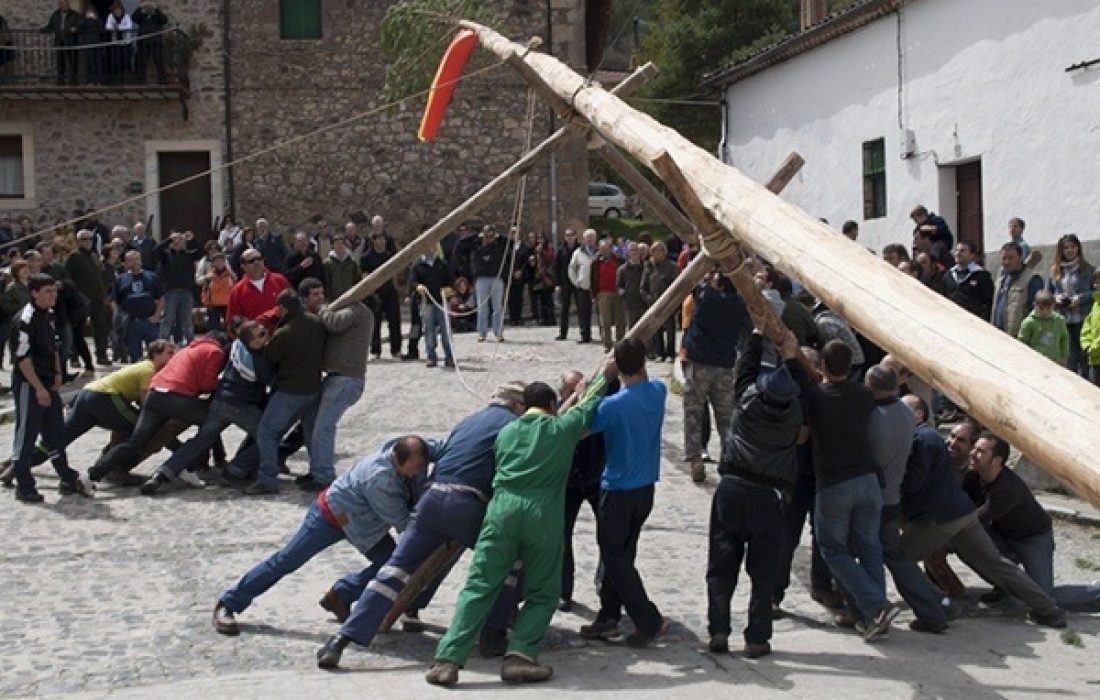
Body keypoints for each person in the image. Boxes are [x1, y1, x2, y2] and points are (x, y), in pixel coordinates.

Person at [315, 384, 527, 669]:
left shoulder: (468, 421)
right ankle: (493, 635)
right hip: (466, 503)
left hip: (430, 501)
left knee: (393, 571)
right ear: (517, 405)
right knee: (508, 562)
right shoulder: (514, 425)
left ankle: (341, 641)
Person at [427, 377, 616, 688]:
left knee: (479, 585)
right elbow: (589, 404)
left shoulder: (506, 433)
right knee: (543, 592)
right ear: (553, 406)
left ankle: (447, 660)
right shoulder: (561, 429)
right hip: (542, 514)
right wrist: (593, 383)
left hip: (501, 511)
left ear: (524, 406)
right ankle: (520, 655)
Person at [214, 436, 440, 635]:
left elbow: (441, 446)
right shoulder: (380, 480)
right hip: (331, 517)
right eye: (414, 468)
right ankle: (229, 603)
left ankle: (341, 594)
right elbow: (403, 522)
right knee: (286, 561)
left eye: (420, 466)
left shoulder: (412, 449)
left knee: (394, 567)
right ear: (397, 459)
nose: (417, 472)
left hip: (367, 524)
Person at [899, 411, 1066, 628]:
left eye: (965, 442)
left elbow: (913, 485)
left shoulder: (1007, 488)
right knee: (996, 564)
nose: (954, 443)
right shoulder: (941, 448)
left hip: (1031, 537)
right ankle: (1049, 611)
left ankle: (940, 606)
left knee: (899, 557)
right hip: (966, 517)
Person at [707, 332, 803, 658]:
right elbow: (806, 386)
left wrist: (756, 337)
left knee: (721, 566)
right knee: (763, 573)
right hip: (769, 497)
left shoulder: (747, 400)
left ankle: (719, 630)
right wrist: (791, 355)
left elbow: (745, 369)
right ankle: (757, 638)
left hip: (732, 488)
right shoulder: (794, 414)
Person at [793, 340, 896, 640]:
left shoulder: (816, 398)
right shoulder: (865, 394)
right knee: (869, 547)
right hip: (867, 480)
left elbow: (802, 434)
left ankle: (876, 606)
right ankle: (873, 616)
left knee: (833, 550)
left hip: (834, 483)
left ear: (822, 366)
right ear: (852, 367)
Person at [580, 338, 670, 647]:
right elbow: (645, 380)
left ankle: (648, 619)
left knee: (614, 558)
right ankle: (608, 615)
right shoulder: (658, 392)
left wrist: (597, 383)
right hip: (645, 488)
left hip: (617, 490)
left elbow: (581, 426)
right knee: (622, 554)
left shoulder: (612, 405)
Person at [864, 365, 948, 634]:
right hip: (892, 499)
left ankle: (873, 613)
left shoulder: (873, 417)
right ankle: (933, 608)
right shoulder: (906, 415)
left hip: (871, 497)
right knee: (894, 556)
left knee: (866, 554)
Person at [140, 325, 268, 495]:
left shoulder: (234, 348)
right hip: (241, 406)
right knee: (269, 436)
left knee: (201, 440)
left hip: (220, 401)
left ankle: (162, 474)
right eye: (262, 333)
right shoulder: (258, 357)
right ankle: (236, 470)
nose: (267, 335)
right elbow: (270, 381)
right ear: (252, 340)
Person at [86, 332, 227, 485]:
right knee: (211, 422)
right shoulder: (215, 351)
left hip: (155, 395)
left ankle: (91, 475)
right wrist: (219, 384)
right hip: (176, 398)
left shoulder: (187, 350)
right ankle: (188, 466)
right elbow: (206, 384)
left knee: (135, 442)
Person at [8, 274, 95, 503]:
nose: (52, 296)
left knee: (55, 433)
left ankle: (66, 476)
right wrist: (39, 389)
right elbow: (22, 360)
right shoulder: (24, 320)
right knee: (26, 435)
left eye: (54, 291)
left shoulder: (50, 315)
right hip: (30, 384)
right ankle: (24, 484)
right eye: (47, 292)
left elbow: (55, 348)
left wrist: (58, 374)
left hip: (49, 381)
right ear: (34, 293)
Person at [247, 289, 325, 495]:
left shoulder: (286, 332)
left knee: (267, 431)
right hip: (314, 388)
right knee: (311, 434)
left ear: (282, 308)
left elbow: (270, 356)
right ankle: (320, 475)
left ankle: (267, 479)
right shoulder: (316, 323)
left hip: (291, 390)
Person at [962, 434, 1056, 597]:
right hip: (1002, 534)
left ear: (997, 460)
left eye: (980, 451)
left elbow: (975, 518)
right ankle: (1004, 586)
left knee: (1043, 596)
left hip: (1032, 538)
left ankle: (1095, 594)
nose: (972, 453)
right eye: (974, 448)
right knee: (967, 543)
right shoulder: (973, 476)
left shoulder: (1007, 489)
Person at [301, 281, 374, 489]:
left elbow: (333, 322)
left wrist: (322, 308)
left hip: (345, 379)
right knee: (311, 422)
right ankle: (317, 468)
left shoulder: (356, 311)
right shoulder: (357, 311)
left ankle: (323, 475)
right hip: (337, 378)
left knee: (323, 427)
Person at [682, 270, 750, 482]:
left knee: (693, 412)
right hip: (724, 365)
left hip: (700, 362)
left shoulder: (707, 297)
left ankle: (695, 459)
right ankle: (728, 458)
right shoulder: (738, 304)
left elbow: (693, 282)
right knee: (726, 417)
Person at [559, 370, 607, 611]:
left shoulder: (596, 409)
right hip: (568, 483)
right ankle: (563, 591)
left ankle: (604, 584)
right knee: (562, 537)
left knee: (608, 535)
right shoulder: (558, 412)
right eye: (570, 391)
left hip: (595, 478)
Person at [1047, 234, 1094, 376]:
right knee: (1069, 357)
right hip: (1063, 320)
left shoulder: (1087, 269)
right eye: (1066, 248)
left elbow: (1095, 291)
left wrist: (1080, 298)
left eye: (1073, 247)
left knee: (1084, 357)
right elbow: (1047, 293)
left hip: (1083, 319)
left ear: (1078, 248)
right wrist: (1056, 298)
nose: (1070, 250)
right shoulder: (1055, 270)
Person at [112, 250, 163, 362]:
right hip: (131, 323)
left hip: (149, 321)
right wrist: (119, 319)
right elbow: (115, 301)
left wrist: (156, 316)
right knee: (135, 357)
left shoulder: (152, 276)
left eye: (137, 259)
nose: (134, 262)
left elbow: (161, 298)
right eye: (131, 260)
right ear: (126, 263)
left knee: (155, 354)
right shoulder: (121, 279)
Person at [153, 230, 202, 344]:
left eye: (180, 241)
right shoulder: (165, 255)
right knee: (168, 318)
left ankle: (190, 342)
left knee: (187, 320)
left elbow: (201, 251)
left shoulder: (188, 255)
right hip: (171, 292)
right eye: (175, 241)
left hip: (187, 292)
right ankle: (162, 343)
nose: (178, 243)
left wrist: (192, 240)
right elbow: (155, 251)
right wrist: (169, 239)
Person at [225, 250, 290, 333]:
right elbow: (232, 323)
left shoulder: (279, 280)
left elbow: (294, 305)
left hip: (284, 337)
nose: (256, 262)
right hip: (256, 342)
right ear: (243, 266)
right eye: (251, 261)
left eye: (259, 259)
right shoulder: (237, 291)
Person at [410, 247, 454, 368]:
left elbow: (450, 279)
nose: (429, 250)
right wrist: (418, 286)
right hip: (426, 303)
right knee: (429, 331)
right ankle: (431, 356)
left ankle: (449, 356)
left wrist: (448, 289)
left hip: (441, 302)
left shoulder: (442, 264)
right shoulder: (418, 265)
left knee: (446, 331)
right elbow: (412, 281)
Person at [360, 231, 402, 358]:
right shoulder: (366, 257)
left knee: (394, 320)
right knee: (375, 322)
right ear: (373, 241)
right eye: (378, 239)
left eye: (383, 239)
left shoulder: (390, 256)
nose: (381, 241)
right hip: (375, 293)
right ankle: (376, 350)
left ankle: (396, 349)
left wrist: (396, 287)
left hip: (390, 291)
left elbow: (395, 273)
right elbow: (364, 275)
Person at [992, 242, 1043, 338]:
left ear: (1020, 258)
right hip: (999, 336)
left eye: (1011, 258)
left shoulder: (1032, 279)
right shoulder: (1000, 281)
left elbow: (1038, 312)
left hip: (1022, 339)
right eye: (1004, 258)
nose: (1007, 262)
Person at [640, 241, 679, 360]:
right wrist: (648, 299)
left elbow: (677, 285)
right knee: (657, 330)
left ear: (664, 252)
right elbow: (643, 287)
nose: (656, 253)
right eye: (654, 251)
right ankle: (659, 352)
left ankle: (670, 353)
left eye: (659, 250)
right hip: (653, 303)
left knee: (670, 330)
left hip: (668, 304)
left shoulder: (672, 266)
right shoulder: (649, 266)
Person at [472, 225, 508, 343]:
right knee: (482, 308)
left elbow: (510, 242)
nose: (489, 239)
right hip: (482, 279)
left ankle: (498, 332)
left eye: (491, 236)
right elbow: (463, 244)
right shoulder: (477, 246)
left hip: (496, 279)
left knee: (497, 307)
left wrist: (499, 236)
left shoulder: (499, 246)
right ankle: (482, 333)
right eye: (486, 236)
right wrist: (478, 236)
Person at [1018, 290, 1069, 366]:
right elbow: (1022, 342)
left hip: (1055, 361)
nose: (1045, 312)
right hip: (1035, 362)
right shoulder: (1029, 322)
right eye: (1041, 308)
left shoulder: (1059, 320)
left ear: (1053, 306)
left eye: (1049, 309)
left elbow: (1064, 338)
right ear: (1035, 305)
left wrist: (1064, 356)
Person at [590, 238, 624, 351]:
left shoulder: (619, 260)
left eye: (606, 248)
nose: (604, 251)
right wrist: (594, 295)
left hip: (617, 293)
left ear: (611, 249)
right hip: (603, 293)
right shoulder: (595, 262)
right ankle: (607, 344)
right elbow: (592, 279)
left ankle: (620, 343)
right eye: (601, 249)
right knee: (605, 321)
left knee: (620, 320)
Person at [948, 241, 994, 320]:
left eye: (962, 251)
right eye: (957, 250)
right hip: (952, 320)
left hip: (974, 322)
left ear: (972, 255)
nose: (958, 253)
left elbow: (988, 302)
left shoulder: (982, 276)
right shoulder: (948, 275)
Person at [567, 229, 598, 344]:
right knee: (583, 312)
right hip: (583, 287)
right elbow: (572, 268)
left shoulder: (600, 251)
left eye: (592, 237)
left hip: (598, 288)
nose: (590, 239)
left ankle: (604, 335)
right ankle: (585, 335)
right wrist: (576, 282)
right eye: (587, 237)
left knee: (601, 314)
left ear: (595, 238)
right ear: (584, 239)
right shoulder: (578, 252)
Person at [42, 0, 81, 85]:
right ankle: (61, 81)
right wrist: (42, 30)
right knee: (60, 63)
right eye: (62, 3)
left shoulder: (75, 15)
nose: (64, 5)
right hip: (60, 41)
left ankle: (74, 81)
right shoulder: (55, 15)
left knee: (73, 63)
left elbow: (80, 25)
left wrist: (75, 28)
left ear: (68, 4)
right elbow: (50, 26)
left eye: (66, 3)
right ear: (59, 5)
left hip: (71, 42)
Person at [131, 0, 167, 83]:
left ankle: (162, 81)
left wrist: (156, 8)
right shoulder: (141, 14)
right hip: (143, 41)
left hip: (155, 41)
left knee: (159, 61)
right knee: (142, 62)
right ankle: (141, 81)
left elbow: (164, 20)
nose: (148, 4)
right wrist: (140, 7)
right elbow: (134, 18)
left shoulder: (156, 14)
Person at [553, 228, 580, 341]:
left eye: (571, 235)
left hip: (578, 282)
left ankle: (584, 333)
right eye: (567, 235)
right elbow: (556, 267)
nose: (569, 237)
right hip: (565, 282)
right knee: (564, 309)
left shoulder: (579, 249)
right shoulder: (561, 250)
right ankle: (563, 333)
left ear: (575, 236)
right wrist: (557, 283)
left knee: (581, 307)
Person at [199, 252, 235, 333]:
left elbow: (234, 288)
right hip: (213, 304)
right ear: (213, 263)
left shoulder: (230, 275)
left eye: (221, 261)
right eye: (217, 261)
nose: (219, 263)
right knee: (213, 328)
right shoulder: (209, 275)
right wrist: (206, 302)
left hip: (227, 303)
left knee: (229, 326)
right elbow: (204, 289)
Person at [617, 241, 646, 332]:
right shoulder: (622, 269)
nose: (634, 252)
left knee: (645, 329)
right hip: (630, 304)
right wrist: (625, 296)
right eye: (631, 250)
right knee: (632, 329)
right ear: (628, 252)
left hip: (644, 302)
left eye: (636, 250)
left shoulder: (646, 266)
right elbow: (619, 286)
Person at [1078, 270, 1100, 386]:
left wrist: (1093, 349)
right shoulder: (1096, 304)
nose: (1096, 285)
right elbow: (1087, 325)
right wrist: (1086, 344)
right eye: (1095, 282)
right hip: (1095, 360)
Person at [321, 234, 360, 301]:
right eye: (337, 244)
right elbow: (326, 282)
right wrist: (328, 297)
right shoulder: (327, 263)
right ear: (333, 246)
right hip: (334, 297)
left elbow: (357, 279)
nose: (340, 246)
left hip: (350, 295)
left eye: (342, 243)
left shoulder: (352, 262)